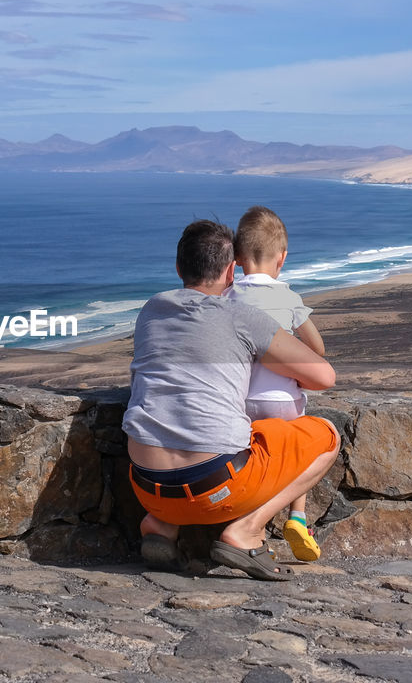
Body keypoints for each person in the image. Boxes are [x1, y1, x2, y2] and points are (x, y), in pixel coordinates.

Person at [122, 219, 339, 581]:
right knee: (328, 435)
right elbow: (324, 377)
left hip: (146, 487)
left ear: (178, 268)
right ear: (230, 271)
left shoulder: (151, 311)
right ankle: (246, 532)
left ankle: (162, 524)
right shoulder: (242, 317)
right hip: (217, 489)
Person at [224, 205, 325, 562]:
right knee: (301, 450)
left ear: (236, 258)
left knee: (245, 456)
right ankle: (297, 516)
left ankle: (235, 514)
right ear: (282, 259)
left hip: (239, 400)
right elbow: (317, 349)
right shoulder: (286, 296)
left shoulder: (228, 295)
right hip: (283, 400)